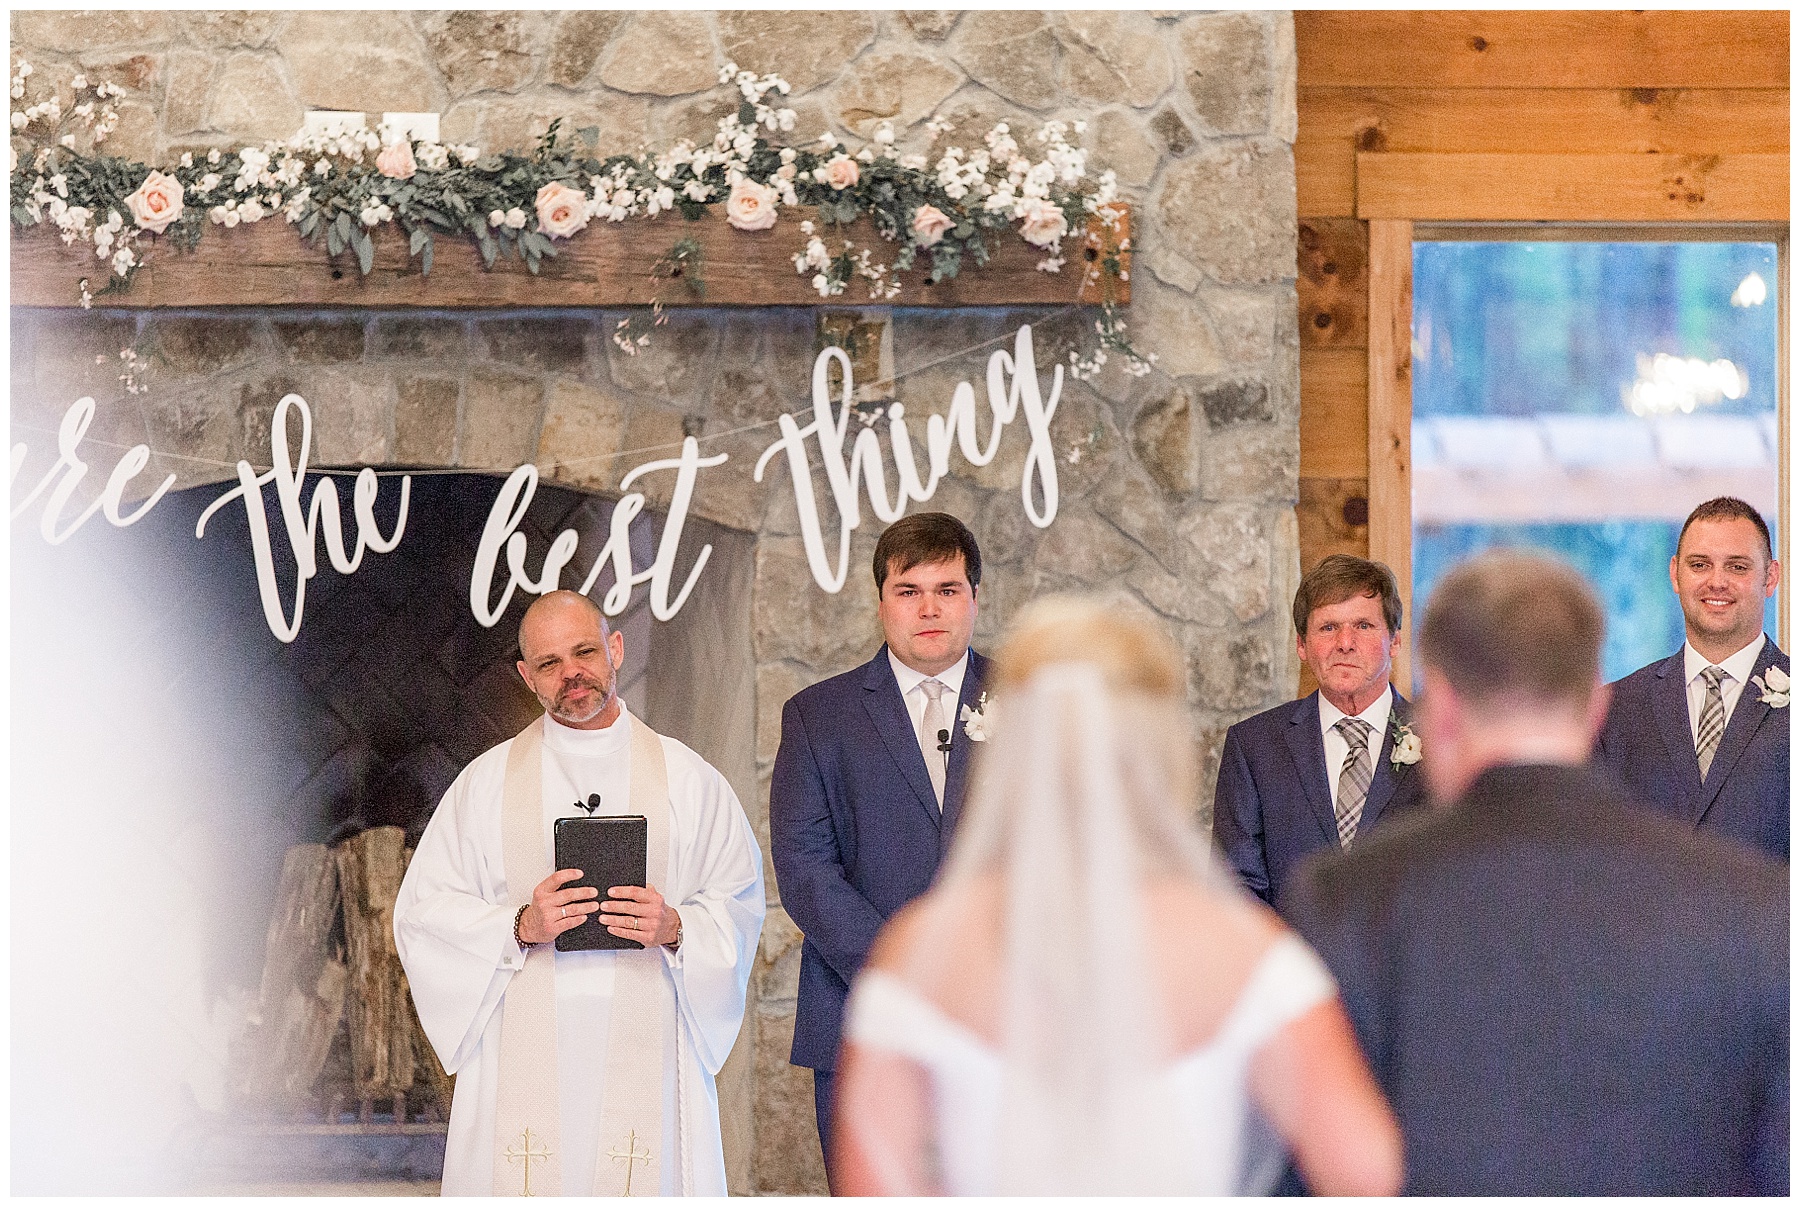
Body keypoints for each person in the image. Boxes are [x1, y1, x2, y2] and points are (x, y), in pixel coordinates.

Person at [829, 596, 1403, 1195]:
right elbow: (1366, 1171)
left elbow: (873, 1188)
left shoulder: (919, 952)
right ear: (1159, 746)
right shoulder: (1242, 949)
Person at [1283, 551, 1788, 1195]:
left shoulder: (1341, 901)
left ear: (1439, 710)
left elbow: (1305, 1175)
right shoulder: (1755, 906)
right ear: (1596, 708)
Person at [394, 590, 764, 1196]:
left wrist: (674, 928)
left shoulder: (690, 781)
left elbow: (739, 905)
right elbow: (421, 915)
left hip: (654, 1040)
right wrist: (518, 924)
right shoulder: (484, 786)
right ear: (526, 677)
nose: (572, 673)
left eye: (585, 651)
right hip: (521, 1043)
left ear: (615, 649)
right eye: (549, 663)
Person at [769, 512, 992, 1183]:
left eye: (948, 589)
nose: (929, 607)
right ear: (880, 603)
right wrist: (908, 968)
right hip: (861, 1017)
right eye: (909, 589)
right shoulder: (817, 715)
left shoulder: (1031, 700)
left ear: (974, 599)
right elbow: (806, 870)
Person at [1212, 554, 1427, 906]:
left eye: (1363, 626)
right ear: (1301, 644)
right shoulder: (1254, 747)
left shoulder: (1441, 741)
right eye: (1328, 627)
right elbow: (1234, 891)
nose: (1345, 642)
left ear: (1395, 641)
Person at [1596, 496, 1788, 860]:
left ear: (1770, 577)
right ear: (1675, 574)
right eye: (1700, 564)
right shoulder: (1614, 710)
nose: (1717, 582)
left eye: (1737, 567)